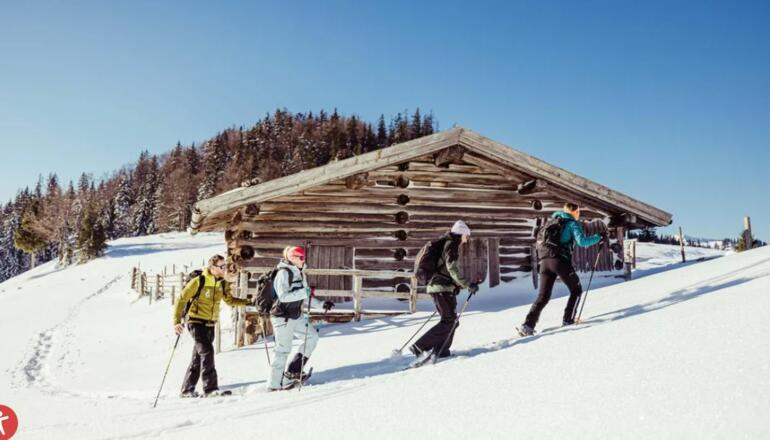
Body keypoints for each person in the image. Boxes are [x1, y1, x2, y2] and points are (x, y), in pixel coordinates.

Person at [519, 202, 606, 336]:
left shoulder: (551, 222)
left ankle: (527, 325)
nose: (578, 214)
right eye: (578, 212)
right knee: (576, 290)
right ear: (574, 212)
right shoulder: (572, 223)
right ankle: (568, 319)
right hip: (559, 261)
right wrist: (599, 237)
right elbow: (582, 242)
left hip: (544, 262)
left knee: (543, 296)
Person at [173, 254, 252, 397]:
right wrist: (176, 321)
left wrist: (247, 302)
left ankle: (186, 390)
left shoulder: (222, 283)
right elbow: (181, 299)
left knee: (198, 357)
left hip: (210, 324)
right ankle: (210, 389)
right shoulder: (199, 281)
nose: (224, 269)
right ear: (213, 267)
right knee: (208, 352)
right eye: (222, 266)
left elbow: (229, 300)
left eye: (225, 266)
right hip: (195, 322)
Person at [267, 246, 334, 391]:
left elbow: (305, 295)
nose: (304, 259)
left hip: (296, 315)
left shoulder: (299, 273)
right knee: (282, 350)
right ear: (292, 257)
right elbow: (283, 297)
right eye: (301, 257)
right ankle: (274, 384)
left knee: (312, 337)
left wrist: (321, 304)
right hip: (282, 317)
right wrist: (304, 292)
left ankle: (293, 370)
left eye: (304, 257)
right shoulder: (283, 273)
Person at [410, 220, 479, 361]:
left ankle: (442, 351)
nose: (466, 240)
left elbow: (445, 269)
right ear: (462, 233)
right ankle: (420, 346)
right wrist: (467, 284)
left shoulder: (448, 243)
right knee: (449, 320)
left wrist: (455, 285)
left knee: (452, 321)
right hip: (439, 287)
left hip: (442, 287)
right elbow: (451, 268)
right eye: (467, 236)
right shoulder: (451, 244)